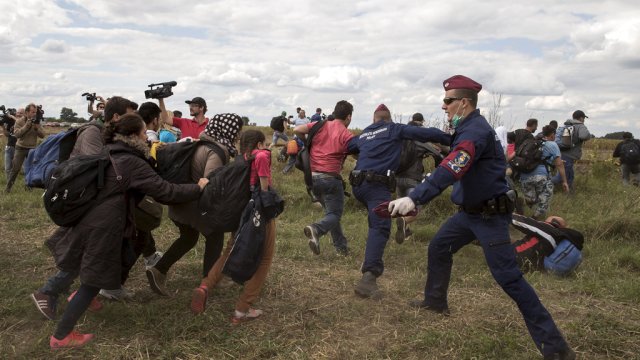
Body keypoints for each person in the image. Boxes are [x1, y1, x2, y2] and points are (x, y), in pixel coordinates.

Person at [388, 75, 574, 360]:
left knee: (510, 279)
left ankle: (556, 348)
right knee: (439, 247)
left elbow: (454, 166)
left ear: (464, 103)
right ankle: (435, 302)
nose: (444, 106)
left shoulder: (475, 132)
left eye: (448, 101)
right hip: (468, 214)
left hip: (489, 217)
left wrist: (415, 196)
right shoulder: (466, 129)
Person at [42, 113, 209, 349]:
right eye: (143, 133)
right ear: (132, 136)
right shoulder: (131, 162)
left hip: (89, 217)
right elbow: (165, 192)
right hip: (104, 225)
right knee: (93, 279)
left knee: (90, 268)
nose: (147, 137)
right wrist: (198, 187)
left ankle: (80, 299)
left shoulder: (109, 150)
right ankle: (61, 336)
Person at [30, 96, 140, 318]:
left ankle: (85, 293)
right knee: (84, 251)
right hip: (86, 200)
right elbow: (98, 165)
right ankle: (48, 292)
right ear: (117, 117)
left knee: (91, 250)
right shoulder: (92, 133)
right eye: (130, 115)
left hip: (97, 202)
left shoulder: (104, 133)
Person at [347, 103, 450, 299]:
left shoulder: (365, 134)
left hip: (357, 185)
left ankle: (371, 256)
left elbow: (348, 146)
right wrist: (452, 138)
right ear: (389, 118)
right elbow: (426, 133)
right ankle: (369, 278)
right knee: (381, 226)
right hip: (376, 185)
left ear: (373, 118)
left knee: (374, 222)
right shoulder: (395, 128)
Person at [146, 114, 244, 296]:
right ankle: (210, 278)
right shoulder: (216, 151)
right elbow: (210, 184)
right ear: (227, 130)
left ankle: (158, 269)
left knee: (188, 237)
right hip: (193, 203)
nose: (237, 135)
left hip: (179, 202)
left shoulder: (198, 143)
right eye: (236, 130)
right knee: (215, 235)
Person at [190, 129, 277, 324]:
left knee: (228, 252)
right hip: (258, 214)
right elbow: (264, 190)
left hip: (238, 215)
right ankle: (243, 309)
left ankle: (204, 287)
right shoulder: (260, 157)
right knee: (263, 259)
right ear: (260, 144)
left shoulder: (239, 161)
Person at [295, 100, 355, 256]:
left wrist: (307, 141)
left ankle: (341, 248)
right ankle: (316, 229)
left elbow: (297, 129)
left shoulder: (319, 125)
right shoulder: (346, 133)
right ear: (348, 117)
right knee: (334, 214)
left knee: (331, 214)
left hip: (312, 178)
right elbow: (356, 152)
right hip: (330, 178)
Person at [394, 112, 446, 243]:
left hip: (397, 179)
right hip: (413, 179)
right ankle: (404, 221)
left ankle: (406, 232)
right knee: (416, 208)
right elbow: (436, 153)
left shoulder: (399, 140)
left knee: (401, 207)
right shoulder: (419, 141)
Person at [519, 125, 569, 219]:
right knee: (545, 199)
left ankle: (522, 204)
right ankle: (534, 219)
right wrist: (565, 181)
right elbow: (559, 164)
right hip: (541, 177)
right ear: (553, 134)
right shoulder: (552, 144)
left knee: (532, 200)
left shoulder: (532, 142)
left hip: (524, 177)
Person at [511, 214, 584, 275]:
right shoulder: (555, 240)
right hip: (526, 267)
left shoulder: (549, 230)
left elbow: (521, 222)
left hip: (511, 257)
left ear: (553, 222)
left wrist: (504, 214)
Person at [5, 103, 45, 193]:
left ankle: (29, 188)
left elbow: (42, 135)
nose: (34, 114)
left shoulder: (37, 122)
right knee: (15, 169)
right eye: (32, 112)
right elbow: (17, 134)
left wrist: (36, 128)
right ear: (26, 112)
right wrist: (27, 126)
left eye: (35, 112)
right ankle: (8, 188)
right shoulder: (19, 121)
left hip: (32, 148)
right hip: (20, 148)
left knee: (30, 169)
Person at [551, 110, 591, 190]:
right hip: (569, 155)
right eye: (583, 118)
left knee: (570, 176)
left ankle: (570, 194)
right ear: (581, 118)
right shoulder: (580, 125)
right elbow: (584, 136)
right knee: (561, 177)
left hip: (562, 153)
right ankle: (543, 184)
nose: (584, 120)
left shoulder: (567, 124)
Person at [1, 107, 22, 178]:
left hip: (20, 148)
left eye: (21, 113)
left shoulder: (23, 121)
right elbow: (7, 134)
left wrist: (12, 116)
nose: (18, 114)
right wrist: (2, 126)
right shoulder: (10, 121)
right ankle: (9, 185)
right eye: (18, 113)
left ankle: (26, 185)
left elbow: (22, 124)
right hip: (9, 147)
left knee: (20, 169)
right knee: (7, 168)